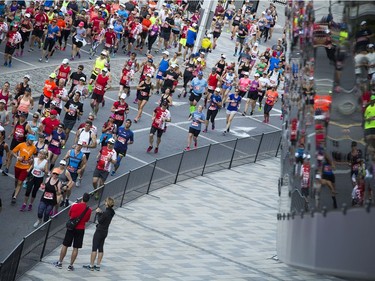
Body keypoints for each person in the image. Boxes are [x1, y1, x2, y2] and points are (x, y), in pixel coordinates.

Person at [54, 192, 92, 271]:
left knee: (65, 245)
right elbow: (87, 220)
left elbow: (70, 214)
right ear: (88, 200)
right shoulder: (89, 210)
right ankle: (70, 265)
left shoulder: (74, 206)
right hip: (80, 229)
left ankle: (60, 262)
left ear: (82, 198)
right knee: (76, 248)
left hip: (71, 228)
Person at [83, 197, 115, 271]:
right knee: (101, 248)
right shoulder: (111, 212)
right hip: (105, 231)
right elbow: (105, 218)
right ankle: (98, 265)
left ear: (107, 203)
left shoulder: (106, 212)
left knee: (94, 248)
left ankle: (91, 265)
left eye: (106, 201)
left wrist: (98, 213)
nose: (105, 202)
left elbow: (100, 220)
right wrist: (101, 213)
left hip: (99, 231)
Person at [9, 134, 37, 204]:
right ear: (27, 139)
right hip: (18, 166)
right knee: (16, 180)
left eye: (33, 140)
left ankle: (14, 197)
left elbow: (35, 155)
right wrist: (17, 157)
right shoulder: (21, 145)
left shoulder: (33, 147)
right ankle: (16, 189)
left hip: (26, 167)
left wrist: (32, 159)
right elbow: (12, 152)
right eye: (31, 140)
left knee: (20, 182)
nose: (32, 142)